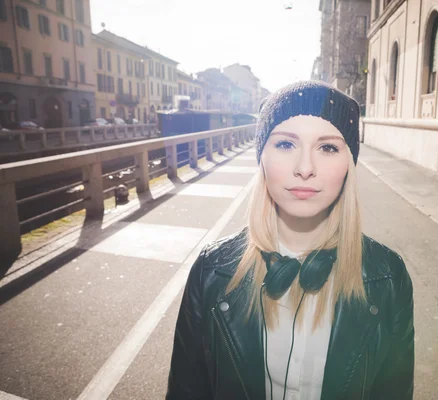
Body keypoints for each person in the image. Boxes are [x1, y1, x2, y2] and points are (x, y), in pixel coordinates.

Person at [166, 81, 414, 400]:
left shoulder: (388, 277)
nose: (305, 168)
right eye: (285, 145)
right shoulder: (211, 270)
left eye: (327, 147)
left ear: (349, 164)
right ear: (262, 158)